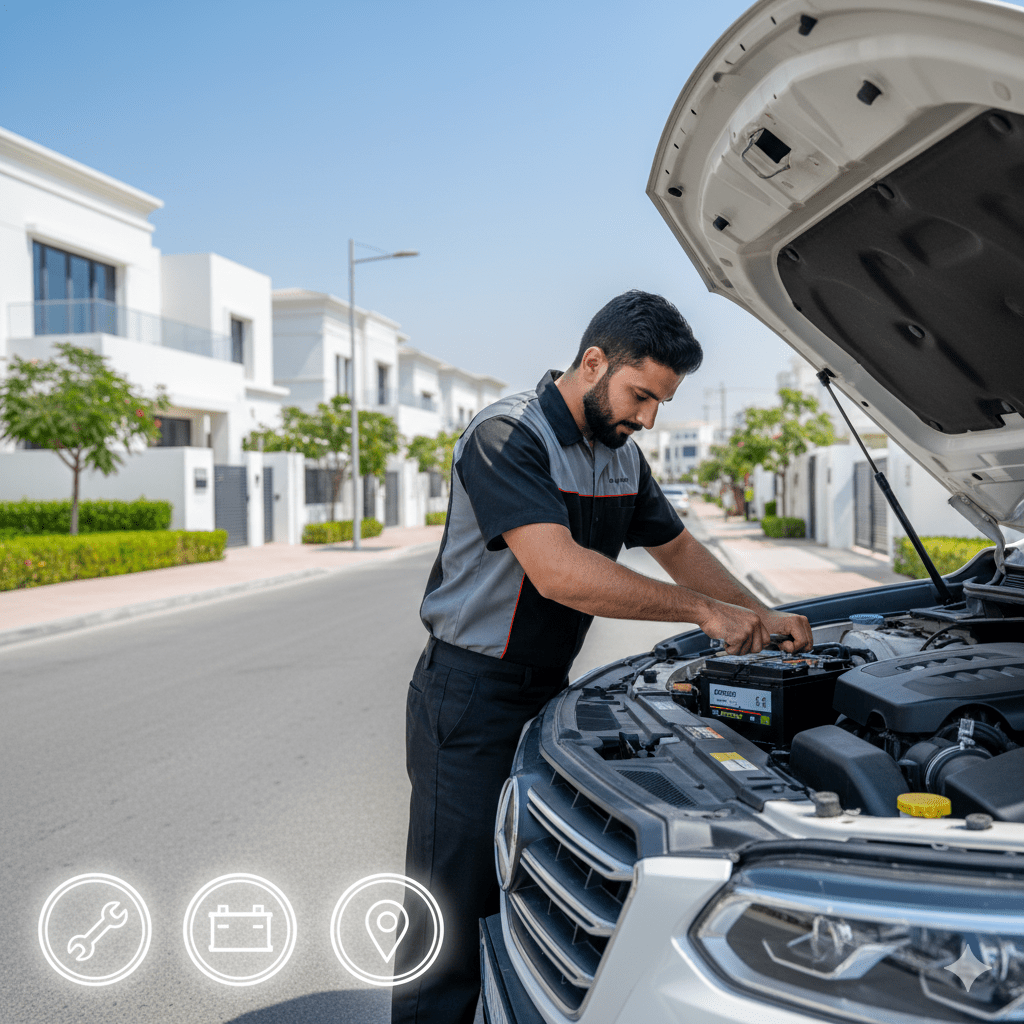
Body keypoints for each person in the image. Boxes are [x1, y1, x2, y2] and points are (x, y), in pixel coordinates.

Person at [391, 290, 812, 1024]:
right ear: (593, 362)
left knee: (527, 903)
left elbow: (677, 549)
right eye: (641, 394)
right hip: (468, 698)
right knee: (451, 918)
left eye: (661, 403)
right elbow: (559, 572)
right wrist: (706, 614)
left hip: (549, 697)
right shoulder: (506, 434)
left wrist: (759, 614)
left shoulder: (621, 457)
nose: (649, 418)